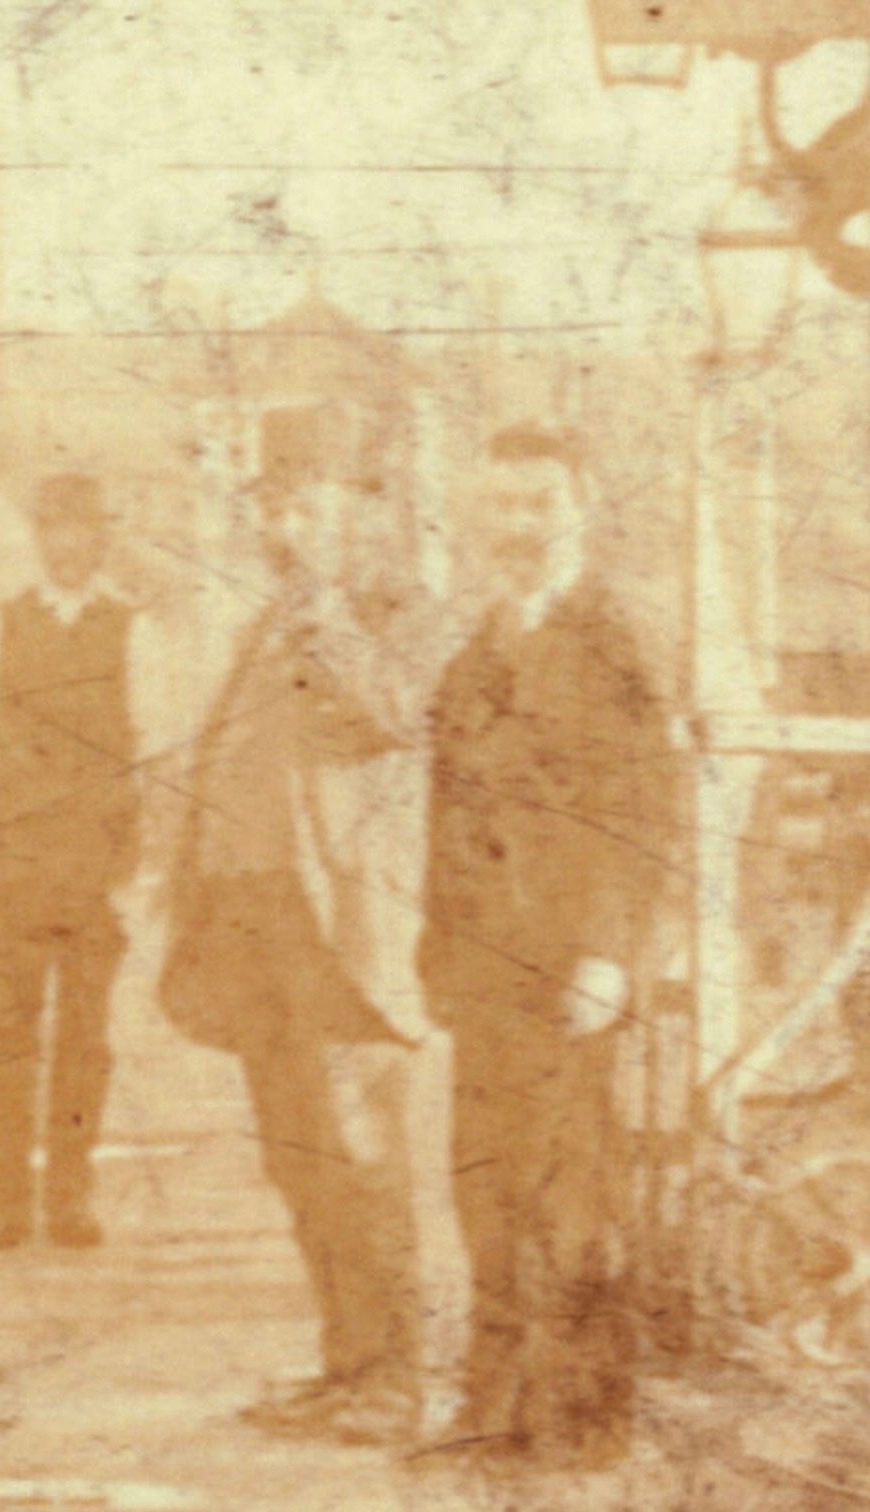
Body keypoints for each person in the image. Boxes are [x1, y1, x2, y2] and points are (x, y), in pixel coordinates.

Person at [160, 411, 447, 1448]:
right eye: (273, 503)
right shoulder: (269, 615)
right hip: (252, 923)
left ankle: (398, 1382)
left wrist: (325, 611)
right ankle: (344, 1365)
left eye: (306, 502)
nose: (285, 523)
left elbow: (393, 711)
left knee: (361, 1152)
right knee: (297, 1156)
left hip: (341, 937)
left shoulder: (398, 607)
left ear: (357, 509)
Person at [416, 423, 673, 1470]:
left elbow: (640, 810)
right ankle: (496, 1413)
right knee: (485, 1186)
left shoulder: (611, 640)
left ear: (582, 505)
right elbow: (447, 811)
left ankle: (577, 1430)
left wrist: (610, 955)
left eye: (536, 502)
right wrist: (435, 955)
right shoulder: (479, 649)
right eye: (499, 507)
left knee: (571, 1199)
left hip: (570, 969)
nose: (515, 526)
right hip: (481, 971)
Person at [0, 472, 139, 1251]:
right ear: (38, 536)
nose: (66, 544)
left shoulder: (131, 627)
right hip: (14, 866)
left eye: (80, 529)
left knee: (84, 1038)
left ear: (101, 537)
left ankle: (69, 1198)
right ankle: (7, 1202)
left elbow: (147, 748)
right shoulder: (0, 623)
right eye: (53, 528)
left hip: (94, 870)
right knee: (6, 1032)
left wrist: (132, 868)